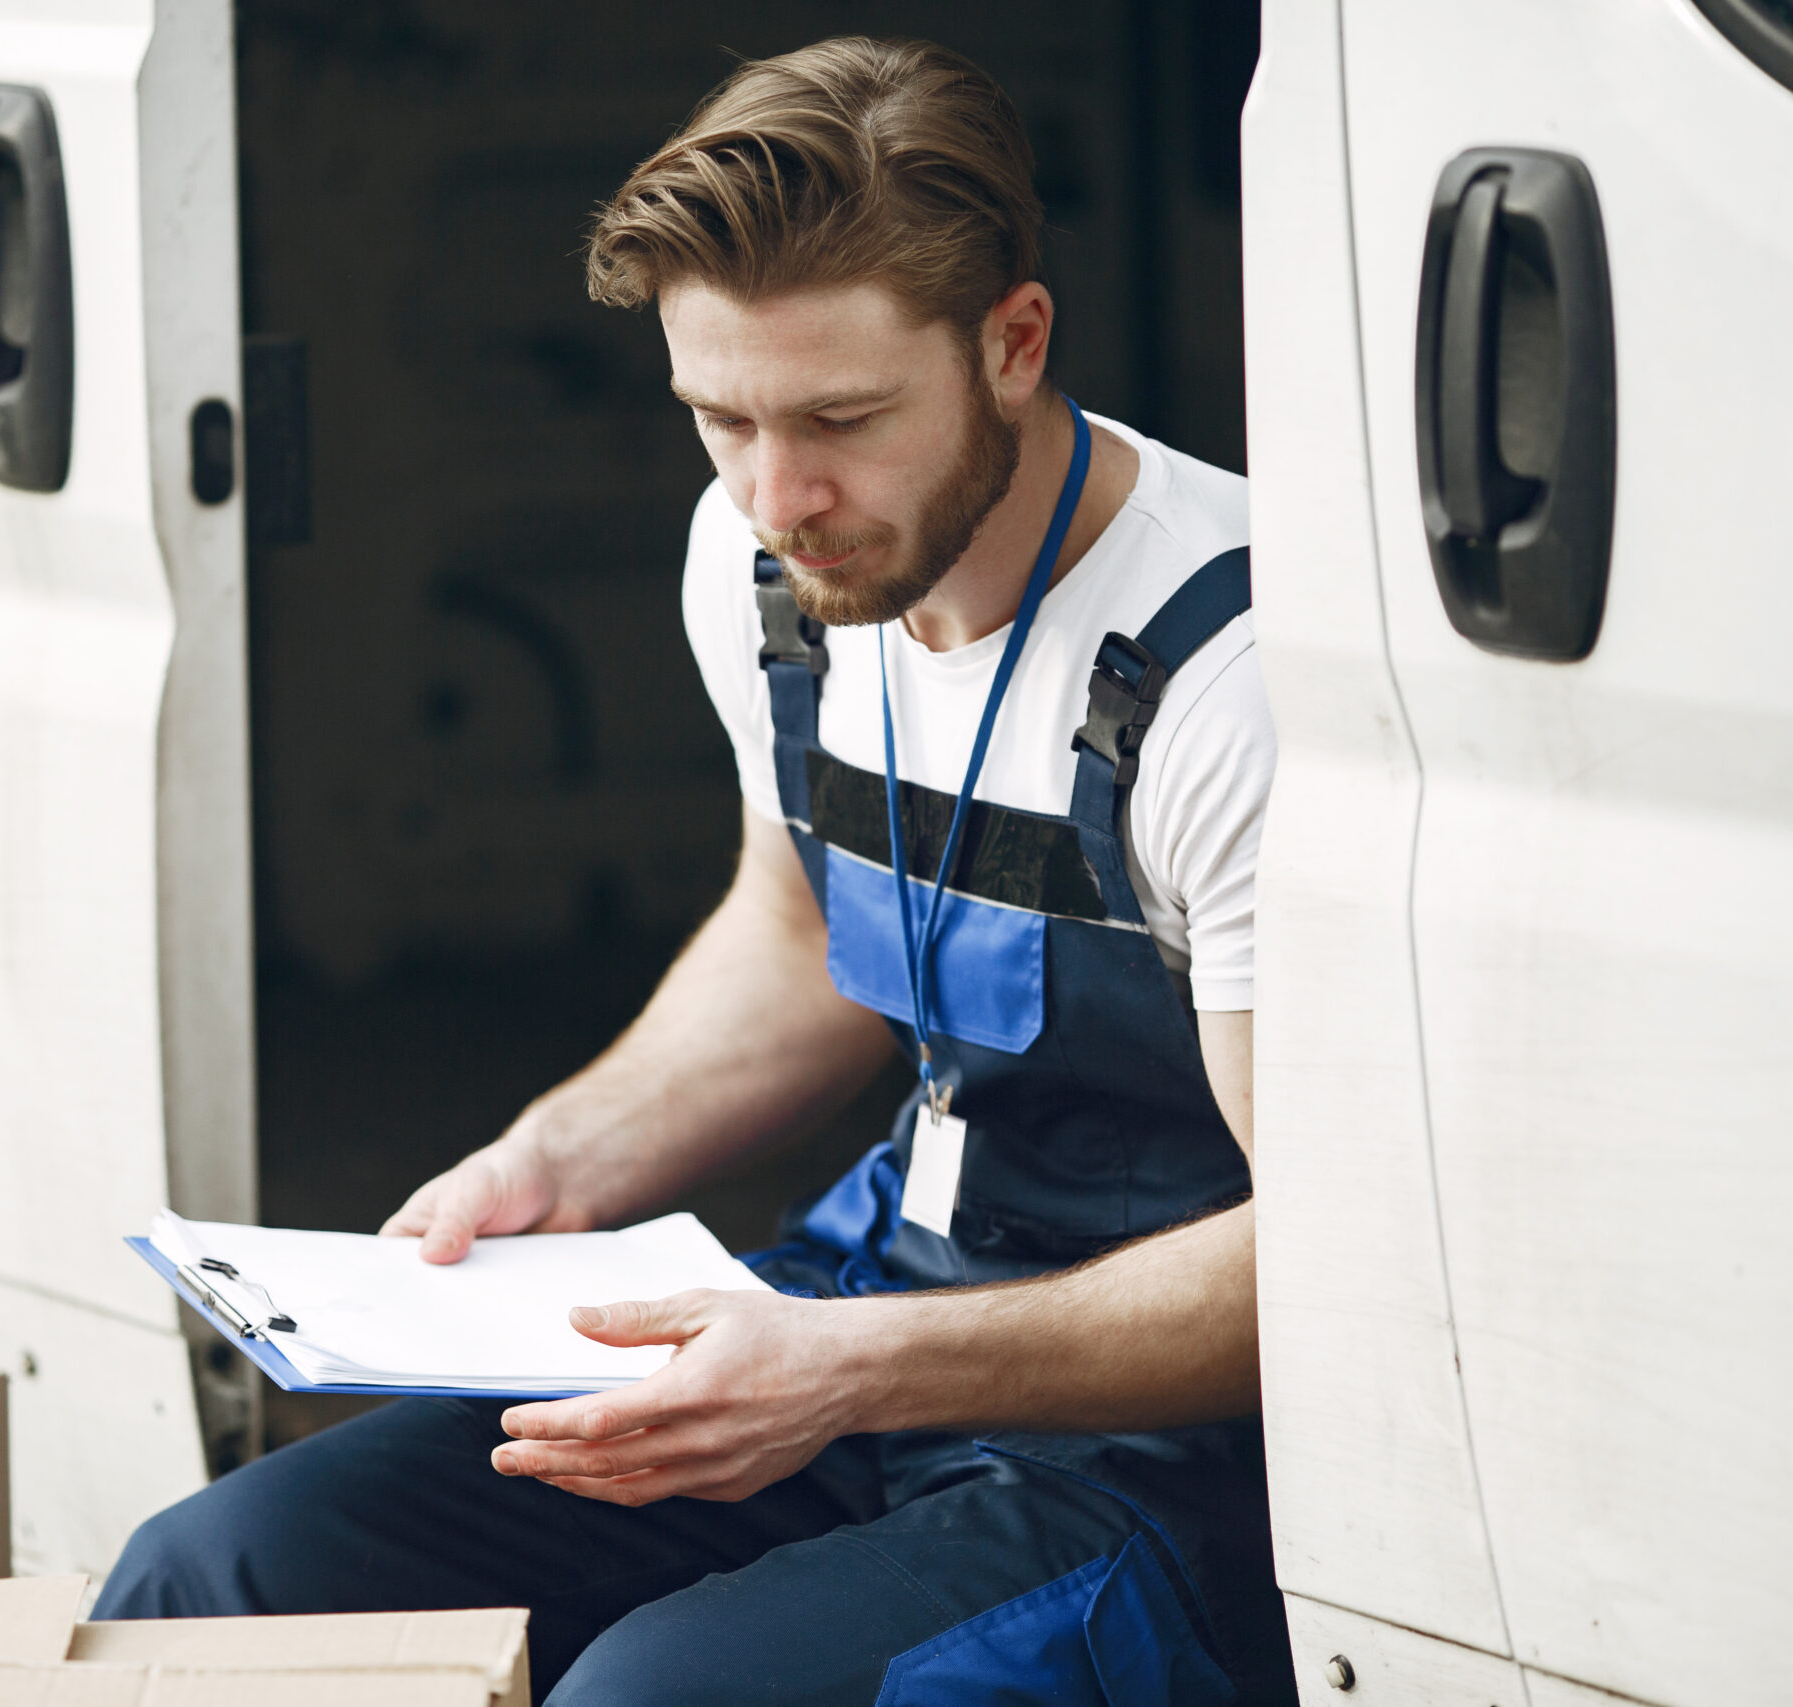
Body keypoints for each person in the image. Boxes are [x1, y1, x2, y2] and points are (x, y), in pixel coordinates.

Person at [99, 37, 1295, 1707]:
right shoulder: (758, 564)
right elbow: (802, 931)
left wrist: (849, 1372)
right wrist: (554, 1159)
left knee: (653, 1697)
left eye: (840, 418)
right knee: (209, 1579)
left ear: (1016, 343)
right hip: (870, 1310)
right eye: (718, 417)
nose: (776, 496)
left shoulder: (1236, 681)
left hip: (1149, 1461)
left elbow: (1323, 1262)